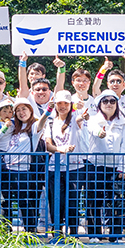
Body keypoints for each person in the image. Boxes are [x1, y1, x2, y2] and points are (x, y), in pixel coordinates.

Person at [85, 92, 125, 239]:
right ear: (99, 104)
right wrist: (100, 132)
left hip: (115, 168)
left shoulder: (123, 123)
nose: (109, 104)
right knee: (94, 201)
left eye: (112, 101)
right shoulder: (93, 120)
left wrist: (123, 168)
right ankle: (94, 234)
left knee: (116, 201)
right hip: (96, 165)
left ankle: (115, 235)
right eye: (105, 101)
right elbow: (93, 130)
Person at [44, 90, 84, 236]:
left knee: (73, 201)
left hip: (75, 166)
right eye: (59, 103)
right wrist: (60, 149)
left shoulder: (75, 119)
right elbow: (48, 144)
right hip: (54, 167)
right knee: (55, 201)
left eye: (65, 103)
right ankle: (57, 231)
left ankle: (73, 233)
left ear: (70, 104)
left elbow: (81, 119)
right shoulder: (50, 122)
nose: (62, 106)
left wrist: (82, 112)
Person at [1, 100, 43, 232]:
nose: (21, 112)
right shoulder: (13, 127)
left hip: (23, 171)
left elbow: (41, 123)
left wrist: (47, 112)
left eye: (24, 109)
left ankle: (29, 231)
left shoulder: (33, 127)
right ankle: (6, 231)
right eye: (18, 110)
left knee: (25, 202)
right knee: (6, 202)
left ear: (30, 110)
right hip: (7, 170)